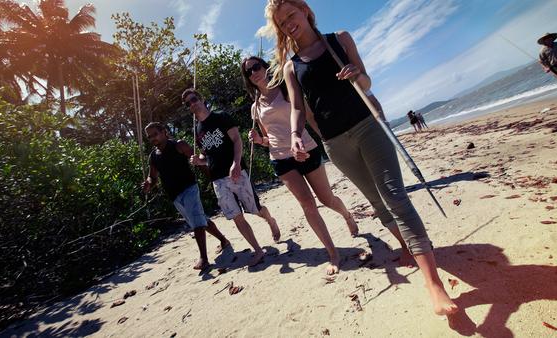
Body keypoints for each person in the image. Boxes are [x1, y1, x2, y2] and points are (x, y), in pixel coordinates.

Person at [264, 0, 458, 315]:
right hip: (334, 143)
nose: (287, 23)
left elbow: (366, 83)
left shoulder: (339, 39)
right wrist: (297, 134)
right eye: (281, 21)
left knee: (395, 196)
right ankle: (408, 245)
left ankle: (433, 285)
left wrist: (356, 74)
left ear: (306, 12)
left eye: (291, 15)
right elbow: (298, 107)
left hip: (368, 126)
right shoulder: (290, 66)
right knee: (377, 201)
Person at [241, 55, 360, 274]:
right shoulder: (255, 107)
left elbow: (309, 115)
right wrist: (259, 141)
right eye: (248, 72)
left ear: (265, 67)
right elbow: (268, 139)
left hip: (306, 148)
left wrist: (327, 138)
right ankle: (333, 254)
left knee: (327, 199)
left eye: (256, 67)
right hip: (280, 158)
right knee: (307, 204)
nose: (253, 73)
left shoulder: (287, 88)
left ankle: (347, 216)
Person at [183, 88, 279, 267]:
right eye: (188, 103)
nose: (192, 104)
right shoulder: (198, 131)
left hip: (237, 173)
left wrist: (236, 163)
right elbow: (207, 157)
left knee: (254, 209)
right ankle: (258, 250)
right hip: (218, 180)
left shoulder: (221, 117)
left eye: (194, 99)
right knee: (236, 216)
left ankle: (270, 220)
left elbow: (237, 140)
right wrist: (199, 161)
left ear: (202, 99)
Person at [142, 122, 230, 270]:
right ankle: (224, 240)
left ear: (164, 131)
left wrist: (212, 178)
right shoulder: (153, 156)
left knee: (196, 222)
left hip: (189, 187)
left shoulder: (179, 145)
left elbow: (199, 163)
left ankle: (204, 258)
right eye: (149, 137)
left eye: (155, 134)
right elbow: (153, 177)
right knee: (200, 220)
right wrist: (148, 183)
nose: (152, 139)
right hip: (174, 195)